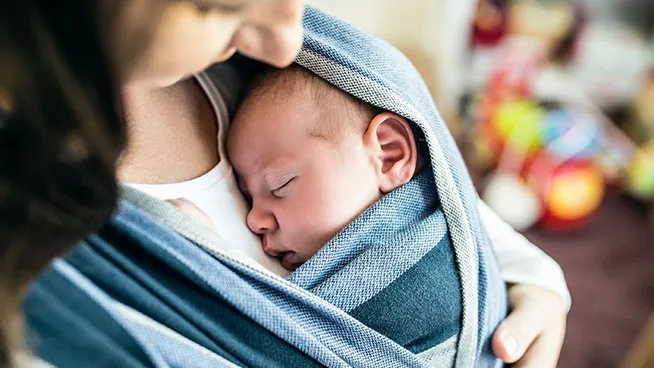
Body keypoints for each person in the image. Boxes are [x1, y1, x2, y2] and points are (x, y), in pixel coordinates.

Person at [0, 0, 566, 367]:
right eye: (220, 7)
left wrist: (536, 280)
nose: (286, 40)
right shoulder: (43, 266)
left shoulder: (293, 75)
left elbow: (431, 195)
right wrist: (217, 260)